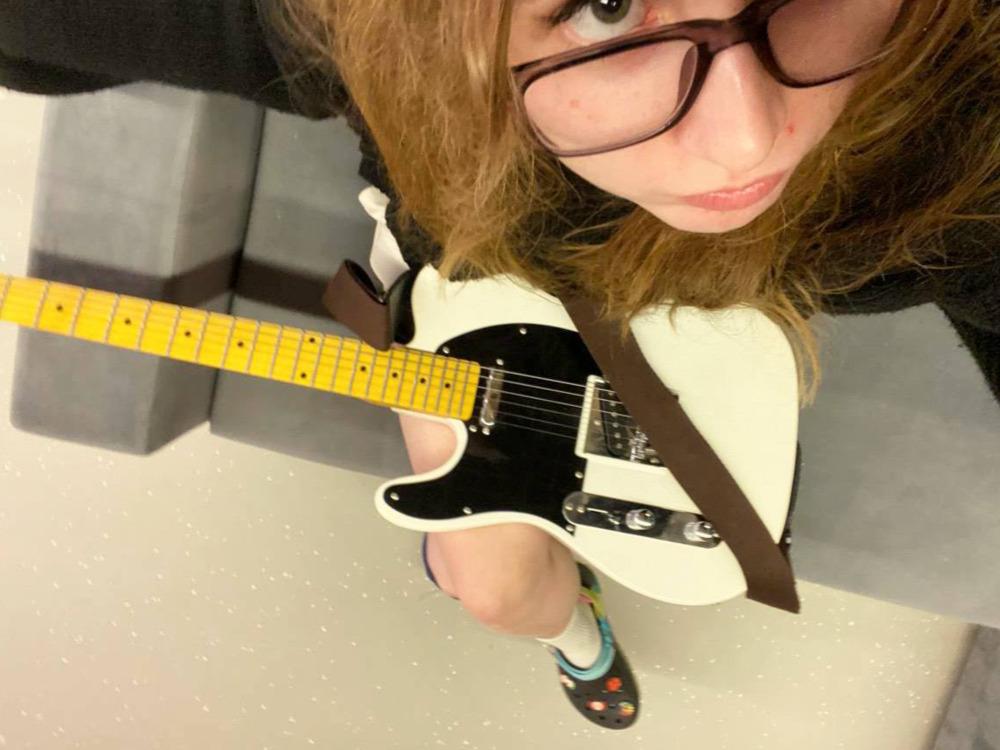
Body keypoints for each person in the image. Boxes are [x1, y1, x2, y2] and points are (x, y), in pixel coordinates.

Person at [1, 0, 998, 731]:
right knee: (499, 593)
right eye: (606, 5)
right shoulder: (371, 33)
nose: (745, 140)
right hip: (473, 278)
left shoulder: (962, 135)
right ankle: (579, 640)